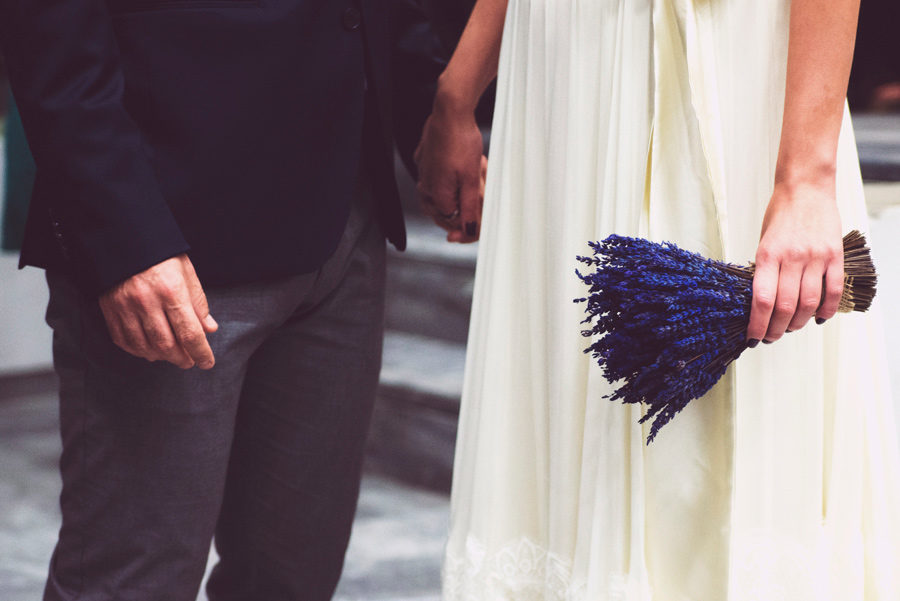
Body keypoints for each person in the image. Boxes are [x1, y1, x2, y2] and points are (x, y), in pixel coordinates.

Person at [415, 0, 900, 598]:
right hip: (564, 81)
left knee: (723, 469)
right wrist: (456, 93)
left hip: (731, 72)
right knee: (566, 437)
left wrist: (805, 174)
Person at [0, 1, 444, 599]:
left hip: (344, 214)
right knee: (133, 578)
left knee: (291, 575)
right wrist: (124, 235)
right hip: (172, 224)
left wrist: (435, 114)